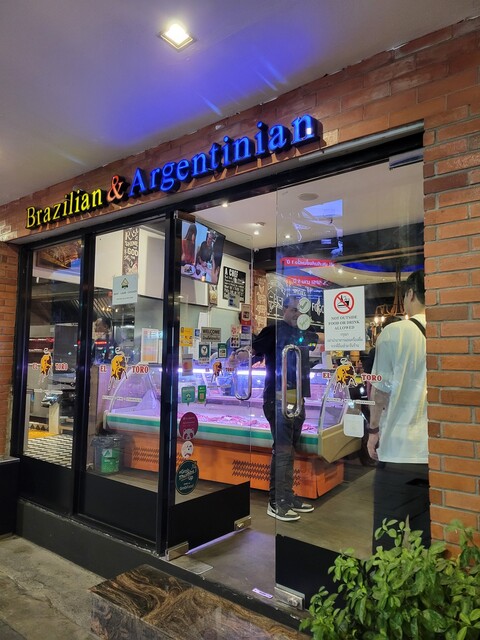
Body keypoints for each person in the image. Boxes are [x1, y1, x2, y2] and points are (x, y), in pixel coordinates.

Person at [367, 270, 429, 550]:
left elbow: (380, 391)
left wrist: (373, 431)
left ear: (411, 294)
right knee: (426, 542)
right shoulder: (447, 332)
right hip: (434, 456)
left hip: (398, 454)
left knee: (386, 539)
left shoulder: (395, 332)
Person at [251, 296, 318, 522]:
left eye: (300, 311)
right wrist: (236, 356)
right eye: (293, 310)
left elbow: (316, 340)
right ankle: (276, 502)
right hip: (277, 398)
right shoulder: (273, 331)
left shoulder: (304, 332)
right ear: (283, 311)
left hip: (297, 399)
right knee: (282, 451)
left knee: (289, 450)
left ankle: (287, 496)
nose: (297, 314)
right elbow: (252, 350)